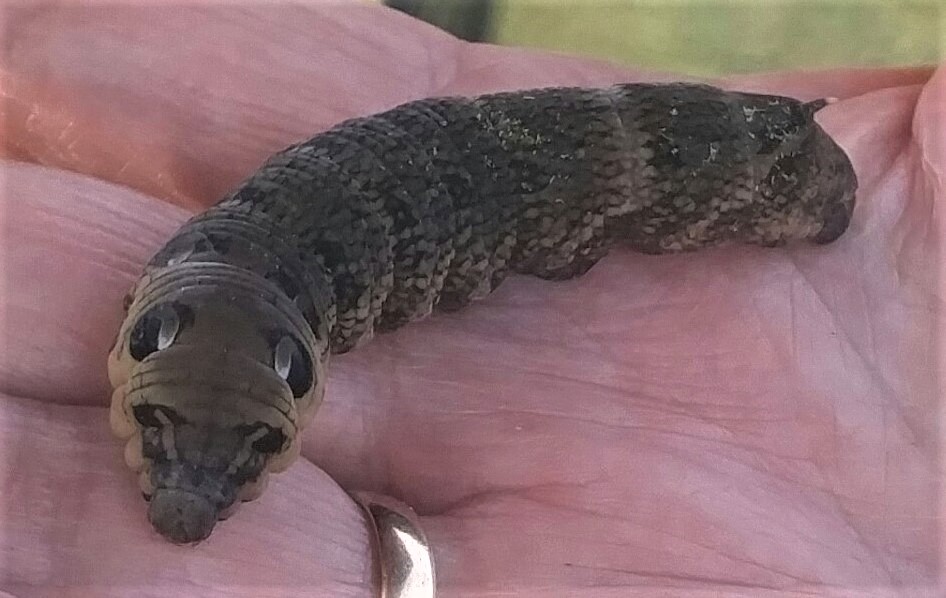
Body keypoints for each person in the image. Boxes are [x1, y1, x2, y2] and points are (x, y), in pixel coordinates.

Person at [1, 3, 942, 596]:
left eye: (167, 441)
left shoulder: (259, 293)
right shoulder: (243, 290)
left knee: (594, 161)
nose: (192, 500)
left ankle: (767, 160)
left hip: (745, 156)